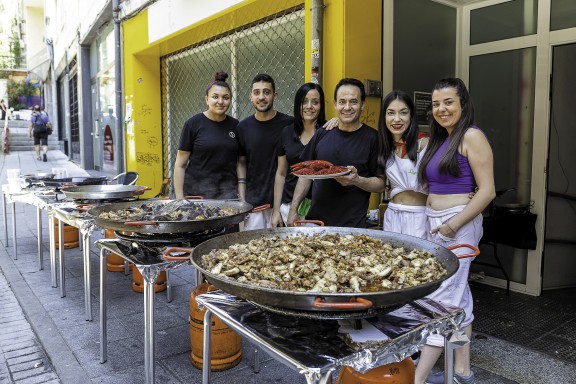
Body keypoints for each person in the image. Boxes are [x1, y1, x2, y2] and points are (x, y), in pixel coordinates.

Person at [414, 78, 495, 384]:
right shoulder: (438, 140)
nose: (441, 109)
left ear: (463, 103)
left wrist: (453, 224)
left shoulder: (472, 136)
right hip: (436, 222)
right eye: (436, 104)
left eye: (448, 102)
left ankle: (417, 378)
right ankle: (462, 370)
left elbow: (487, 191)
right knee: (459, 298)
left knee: (442, 300)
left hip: (457, 224)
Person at [326, 90, 429, 236]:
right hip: (392, 215)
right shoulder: (384, 146)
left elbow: (444, 178)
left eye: (403, 113)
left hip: (419, 215)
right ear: (384, 117)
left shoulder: (424, 145)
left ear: (411, 115)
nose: (397, 119)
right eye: (391, 113)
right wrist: (337, 120)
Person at [287, 78, 379, 228]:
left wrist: (357, 180)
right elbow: (306, 176)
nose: (347, 107)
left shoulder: (373, 138)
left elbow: (381, 184)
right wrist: (293, 209)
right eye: (342, 102)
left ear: (363, 104)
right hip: (317, 223)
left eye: (353, 102)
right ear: (335, 104)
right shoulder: (322, 133)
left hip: (353, 226)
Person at [237, 73, 294, 230]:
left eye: (266, 92)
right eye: (257, 92)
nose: (261, 97)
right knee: (254, 251)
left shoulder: (289, 124)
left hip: (283, 204)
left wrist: (335, 120)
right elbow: (241, 163)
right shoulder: (243, 127)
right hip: (254, 204)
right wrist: (242, 200)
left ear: (275, 95)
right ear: (250, 96)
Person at [173, 71, 239, 200]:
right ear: (206, 99)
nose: (221, 101)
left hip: (227, 194)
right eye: (215, 97)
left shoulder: (236, 126)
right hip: (196, 195)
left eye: (226, 97)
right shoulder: (193, 124)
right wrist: (179, 199)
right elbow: (180, 164)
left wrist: (241, 194)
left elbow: (240, 163)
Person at [271, 83, 327, 227]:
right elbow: (281, 173)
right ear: (298, 104)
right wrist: (276, 211)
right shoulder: (287, 132)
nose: (309, 106)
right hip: (289, 206)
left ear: (321, 106)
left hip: (319, 209)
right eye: (304, 102)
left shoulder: (328, 132)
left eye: (315, 102)